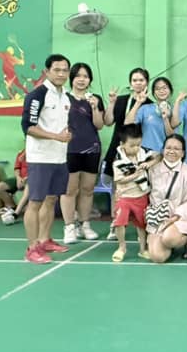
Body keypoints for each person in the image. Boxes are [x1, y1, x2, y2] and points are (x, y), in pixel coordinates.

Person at [20, 54, 73, 264]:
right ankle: (32, 248)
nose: (61, 74)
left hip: (59, 157)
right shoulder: (37, 95)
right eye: (57, 70)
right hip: (40, 157)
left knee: (51, 199)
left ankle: (45, 240)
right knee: (35, 202)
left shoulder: (66, 96)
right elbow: (28, 127)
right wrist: (55, 137)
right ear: (47, 71)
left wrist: (66, 135)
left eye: (65, 70)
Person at [61, 62, 104, 244]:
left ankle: (85, 225)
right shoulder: (63, 98)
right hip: (69, 149)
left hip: (92, 149)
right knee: (70, 190)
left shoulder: (95, 99)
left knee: (87, 189)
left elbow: (99, 125)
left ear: (90, 80)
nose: (81, 79)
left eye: (85, 76)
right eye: (78, 76)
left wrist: (94, 107)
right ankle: (69, 226)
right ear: (72, 78)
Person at [145, 134, 187, 264]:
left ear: (183, 153)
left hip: (181, 218)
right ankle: (166, 240)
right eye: (168, 148)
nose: (172, 151)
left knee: (169, 239)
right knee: (157, 257)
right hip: (159, 217)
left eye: (176, 149)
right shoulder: (153, 169)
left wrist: (174, 217)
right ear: (163, 150)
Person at [111, 124, 158, 262]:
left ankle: (143, 249)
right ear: (122, 144)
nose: (136, 148)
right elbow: (119, 179)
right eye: (132, 145)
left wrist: (150, 163)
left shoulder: (143, 153)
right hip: (124, 197)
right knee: (119, 223)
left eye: (138, 144)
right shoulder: (118, 160)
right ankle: (121, 248)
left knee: (142, 224)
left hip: (141, 195)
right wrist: (135, 175)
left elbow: (159, 156)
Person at [102, 67, 151, 177]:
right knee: (117, 183)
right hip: (117, 147)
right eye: (134, 80)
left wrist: (138, 103)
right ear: (130, 83)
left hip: (137, 151)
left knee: (135, 183)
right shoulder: (120, 100)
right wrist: (111, 103)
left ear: (147, 82)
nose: (138, 83)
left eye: (141, 80)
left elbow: (129, 124)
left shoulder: (150, 104)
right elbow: (108, 122)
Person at [127, 75, 175, 154]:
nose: (161, 91)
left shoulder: (174, 110)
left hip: (165, 154)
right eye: (157, 89)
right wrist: (138, 103)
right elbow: (128, 123)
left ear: (170, 90)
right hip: (146, 154)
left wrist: (165, 118)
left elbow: (172, 137)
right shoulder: (145, 108)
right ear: (153, 92)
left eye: (164, 88)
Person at [0, 149, 28, 225]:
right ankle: (13, 208)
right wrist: (18, 178)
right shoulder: (21, 153)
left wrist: (27, 178)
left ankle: (15, 214)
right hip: (20, 178)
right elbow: (17, 169)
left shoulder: (38, 154)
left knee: (28, 209)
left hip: (31, 179)